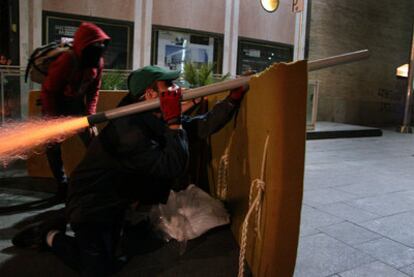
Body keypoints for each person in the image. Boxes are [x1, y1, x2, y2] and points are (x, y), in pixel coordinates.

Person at [12, 65, 248, 276]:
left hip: (118, 199)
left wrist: (232, 100)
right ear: (150, 94)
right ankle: (50, 235)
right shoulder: (129, 131)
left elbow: (200, 127)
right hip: (92, 205)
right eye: (169, 85)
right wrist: (174, 121)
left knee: (137, 245)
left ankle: (103, 230)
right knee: (100, 269)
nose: (178, 88)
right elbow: (172, 165)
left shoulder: (150, 116)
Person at [41, 22, 110, 200]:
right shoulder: (67, 60)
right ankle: (62, 185)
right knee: (53, 147)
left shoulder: (98, 62)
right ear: (84, 45)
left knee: (93, 142)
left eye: (102, 44)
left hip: (77, 105)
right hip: (55, 105)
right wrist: (51, 120)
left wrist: (90, 116)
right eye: (96, 44)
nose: (100, 48)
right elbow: (49, 91)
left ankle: (94, 181)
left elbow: (94, 90)